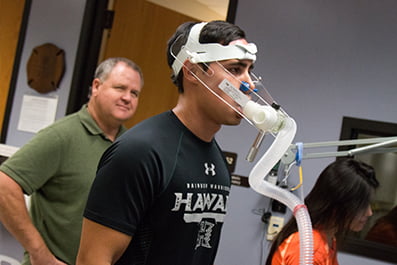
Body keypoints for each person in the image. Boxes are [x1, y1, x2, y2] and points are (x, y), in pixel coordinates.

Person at [76, 20, 257, 265]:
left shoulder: (217, 162)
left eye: (250, 70)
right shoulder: (139, 152)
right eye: (235, 69)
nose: (249, 85)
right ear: (192, 72)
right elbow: (92, 260)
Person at [0, 57, 144, 265]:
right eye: (120, 88)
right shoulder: (62, 136)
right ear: (96, 86)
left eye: (134, 93)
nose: (127, 98)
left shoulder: (132, 146)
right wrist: (40, 254)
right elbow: (5, 184)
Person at [266, 158, 379, 265]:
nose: (369, 212)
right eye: (363, 205)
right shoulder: (309, 248)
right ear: (339, 205)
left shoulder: (329, 239)